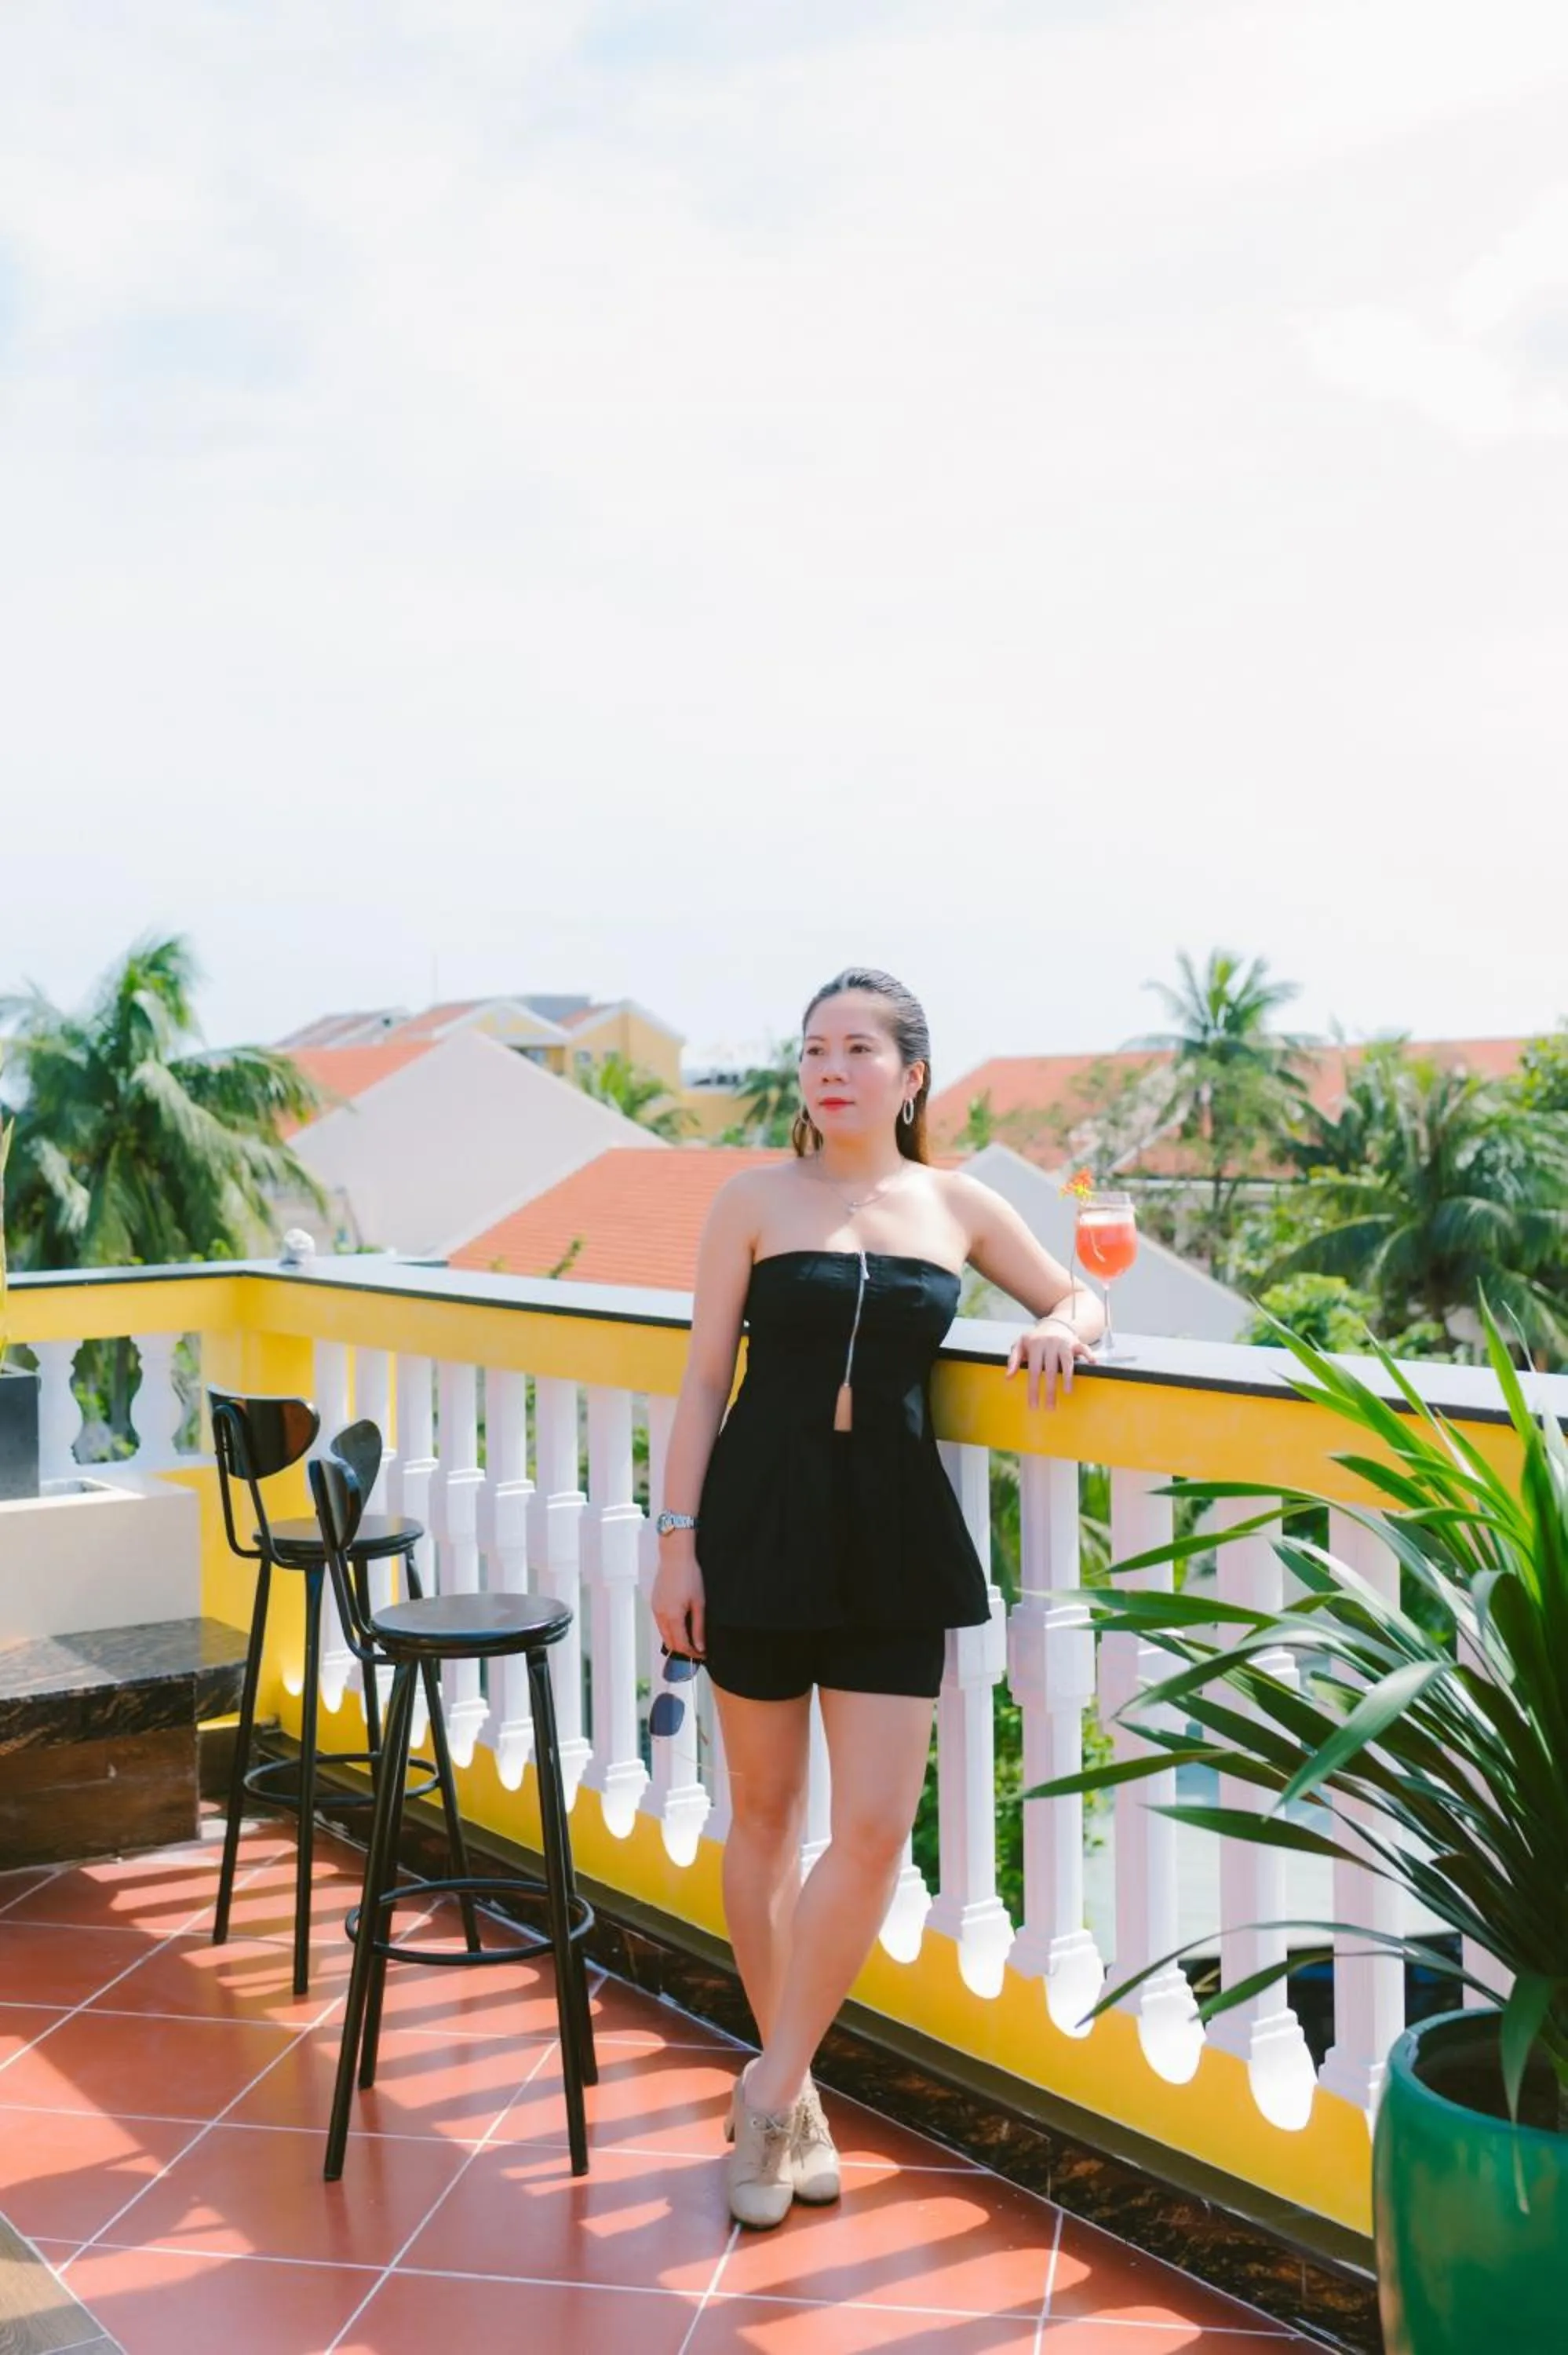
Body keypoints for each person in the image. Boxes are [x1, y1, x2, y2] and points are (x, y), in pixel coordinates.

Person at [649, 967, 1105, 2229]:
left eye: (856, 1048)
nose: (828, 1068)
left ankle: (769, 2084)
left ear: (910, 1077)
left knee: (870, 1833)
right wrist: (673, 1544)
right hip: (755, 1524)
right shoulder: (749, 1200)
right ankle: (789, 2105)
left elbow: (1074, 1290)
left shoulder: (955, 1203)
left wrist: (1069, 1322)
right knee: (764, 1814)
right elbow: (698, 1387)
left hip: (892, 1535)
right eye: (811, 1050)